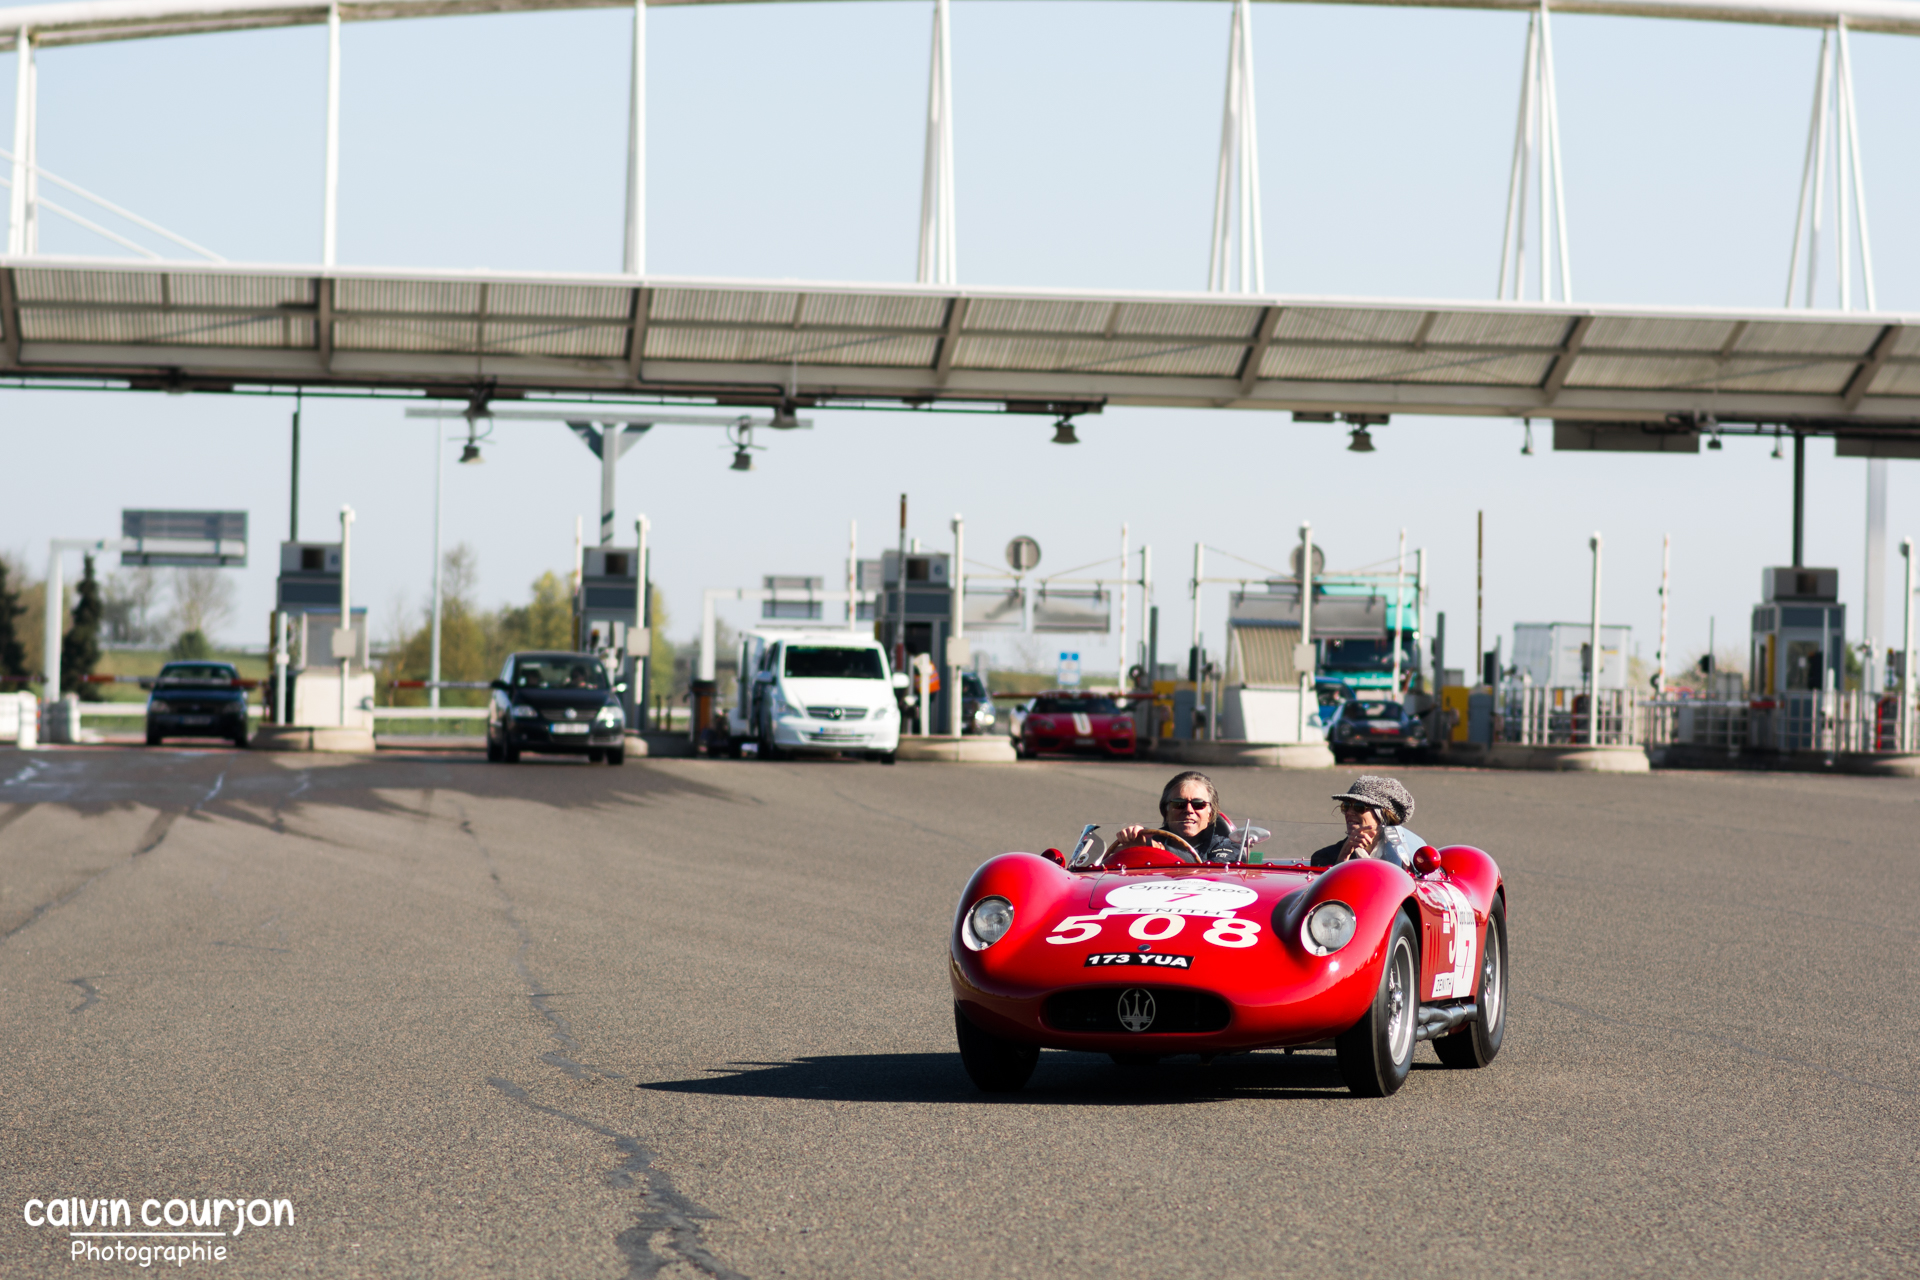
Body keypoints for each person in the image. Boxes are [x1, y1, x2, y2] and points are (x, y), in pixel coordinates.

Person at [1112, 771, 1237, 861]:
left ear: (1211, 813)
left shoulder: (1227, 845)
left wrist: (1156, 849)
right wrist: (1130, 848)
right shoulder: (1147, 841)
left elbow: (1214, 871)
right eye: (1179, 804)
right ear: (1166, 811)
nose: (1189, 810)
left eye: (1198, 804)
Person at [1310, 776, 1424, 868]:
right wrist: (1343, 858)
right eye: (1346, 806)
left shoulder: (1405, 857)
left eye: (1359, 806)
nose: (1349, 812)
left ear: (1384, 815)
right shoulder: (1324, 856)